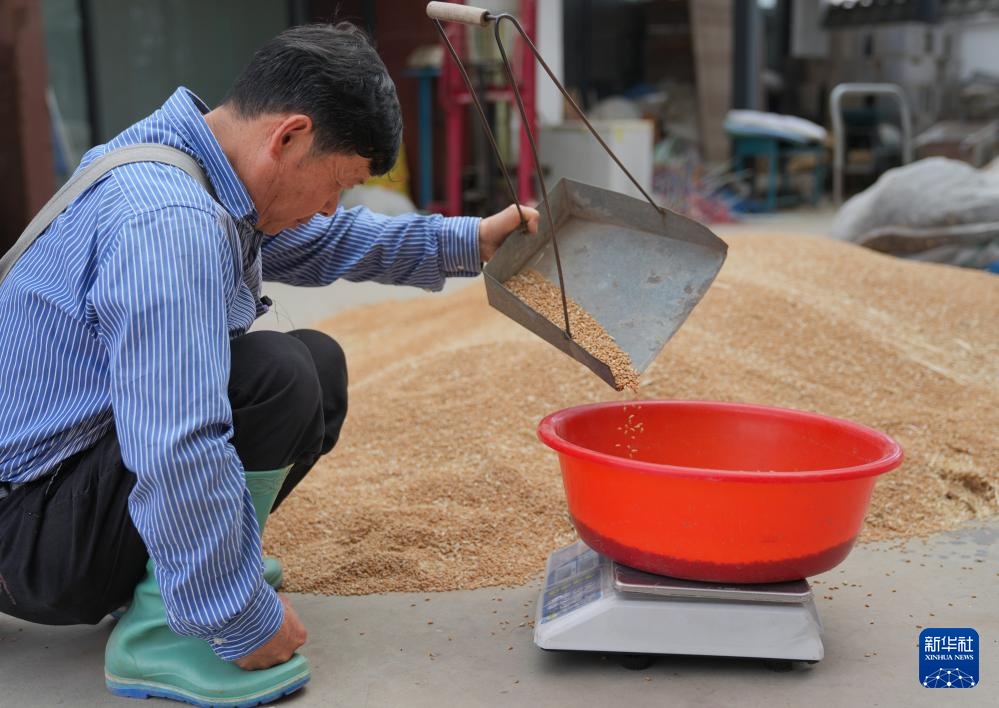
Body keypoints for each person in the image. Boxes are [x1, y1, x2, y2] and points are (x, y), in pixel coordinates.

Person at [0, 22, 539, 706]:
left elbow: (327, 242)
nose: (330, 207)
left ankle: (192, 572)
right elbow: (175, 441)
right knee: (275, 375)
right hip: (31, 539)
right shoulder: (169, 223)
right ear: (288, 137)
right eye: (336, 184)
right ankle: (171, 629)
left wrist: (470, 241)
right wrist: (238, 617)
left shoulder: (195, 163)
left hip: (58, 495)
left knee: (316, 364)